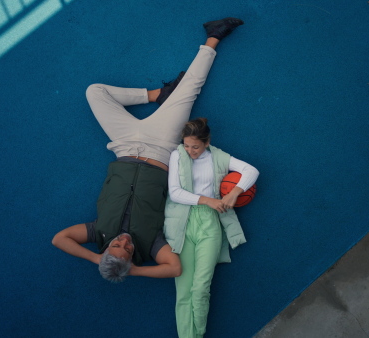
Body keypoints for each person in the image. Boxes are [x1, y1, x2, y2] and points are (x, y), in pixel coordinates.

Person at [51, 17, 245, 283]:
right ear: (132, 258)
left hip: (124, 145)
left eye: (115, 247)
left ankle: (156, 95)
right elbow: (174, 268)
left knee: (95, 91)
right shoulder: (150, 244)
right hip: (161, 148)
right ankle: (214, 37)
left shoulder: (99, 233)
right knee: (190, 89)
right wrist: (136, 269)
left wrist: (97, 257)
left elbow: (59, 238)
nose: (124, 242)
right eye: (127, 251)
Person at [164, 117, 259, 337]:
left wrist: (235, 192)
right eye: (186, 145)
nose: (190, 151)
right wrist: (208, 200)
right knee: (184, 292)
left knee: (200, 288)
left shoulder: (218, 157)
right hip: (183, 224)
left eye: (195, 146)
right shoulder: (177, 155)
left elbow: (251, 171)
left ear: (207, 142)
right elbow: (175, 192)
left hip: (210, 224)